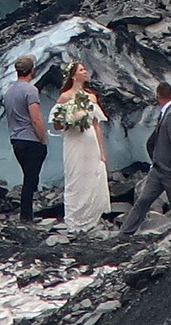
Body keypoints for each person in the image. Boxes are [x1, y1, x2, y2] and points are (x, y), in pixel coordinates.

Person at [119, 81, 171, 235]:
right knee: (143, 200)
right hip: (158, 169)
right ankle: (124, 233)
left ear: (157, 95)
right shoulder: (166, 113)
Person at [50, 60, 110, 233]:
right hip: (74, 140)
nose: (85, 72)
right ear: (73, 75)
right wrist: (70, 119)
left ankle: (91, 218)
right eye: (81, 70)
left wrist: (101, 151)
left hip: (90, 141)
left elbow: (97, 124)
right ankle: (74, 221)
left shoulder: (91, 97)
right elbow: (56, 125)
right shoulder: (65, 97)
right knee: (75, 176)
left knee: (92, 175)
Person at [5, 55, 48, 222]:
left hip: (16, 139)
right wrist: (43, 139)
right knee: (31, 179)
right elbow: (35, 118)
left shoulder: (10, 91)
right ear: (32, 70)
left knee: (28, 176)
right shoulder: (30, 91)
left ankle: (26, 214)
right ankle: (26, 216)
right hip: (30, 139)